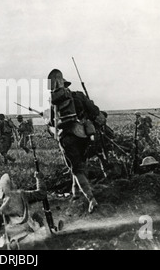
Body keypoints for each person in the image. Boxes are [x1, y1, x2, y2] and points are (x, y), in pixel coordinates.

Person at [46, 69, 101, 213]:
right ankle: (75, 194)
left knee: (76, 168)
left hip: (67, 136)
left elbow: (52, 123)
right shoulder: (78, 95)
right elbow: (94, 111)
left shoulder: (54, 102)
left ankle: (91, 199)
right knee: (78, 165)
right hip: (83, 134)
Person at [0, 171, 47, 246]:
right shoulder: (23, 195)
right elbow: (41, 194)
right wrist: (39, 179)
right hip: (30, 232)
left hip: (13, 237)